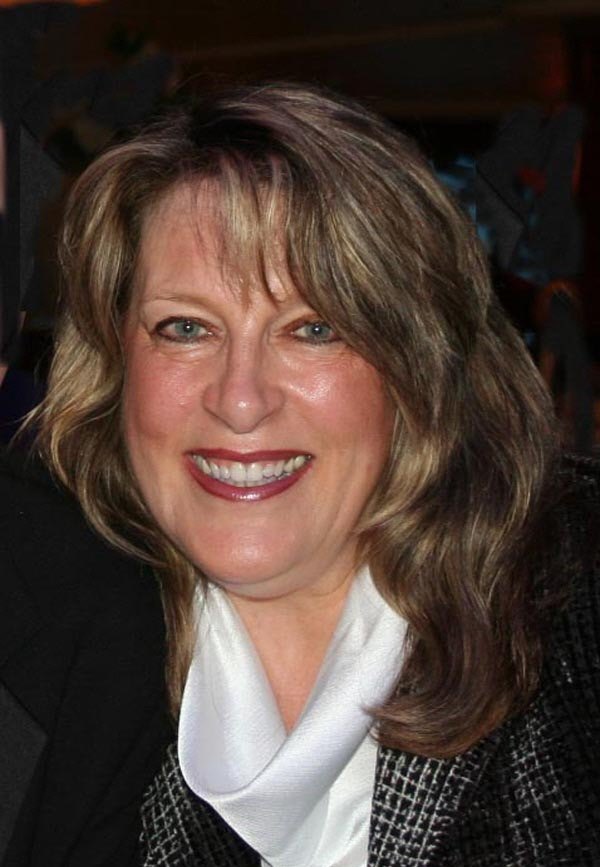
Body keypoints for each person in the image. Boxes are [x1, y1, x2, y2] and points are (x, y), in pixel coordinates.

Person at [31, 83, 600, 866]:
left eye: (314, 327)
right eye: (186, 327)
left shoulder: (577, 600)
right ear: (114, 361)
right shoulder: (48, 657)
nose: (240, 399)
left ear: (418, 362)